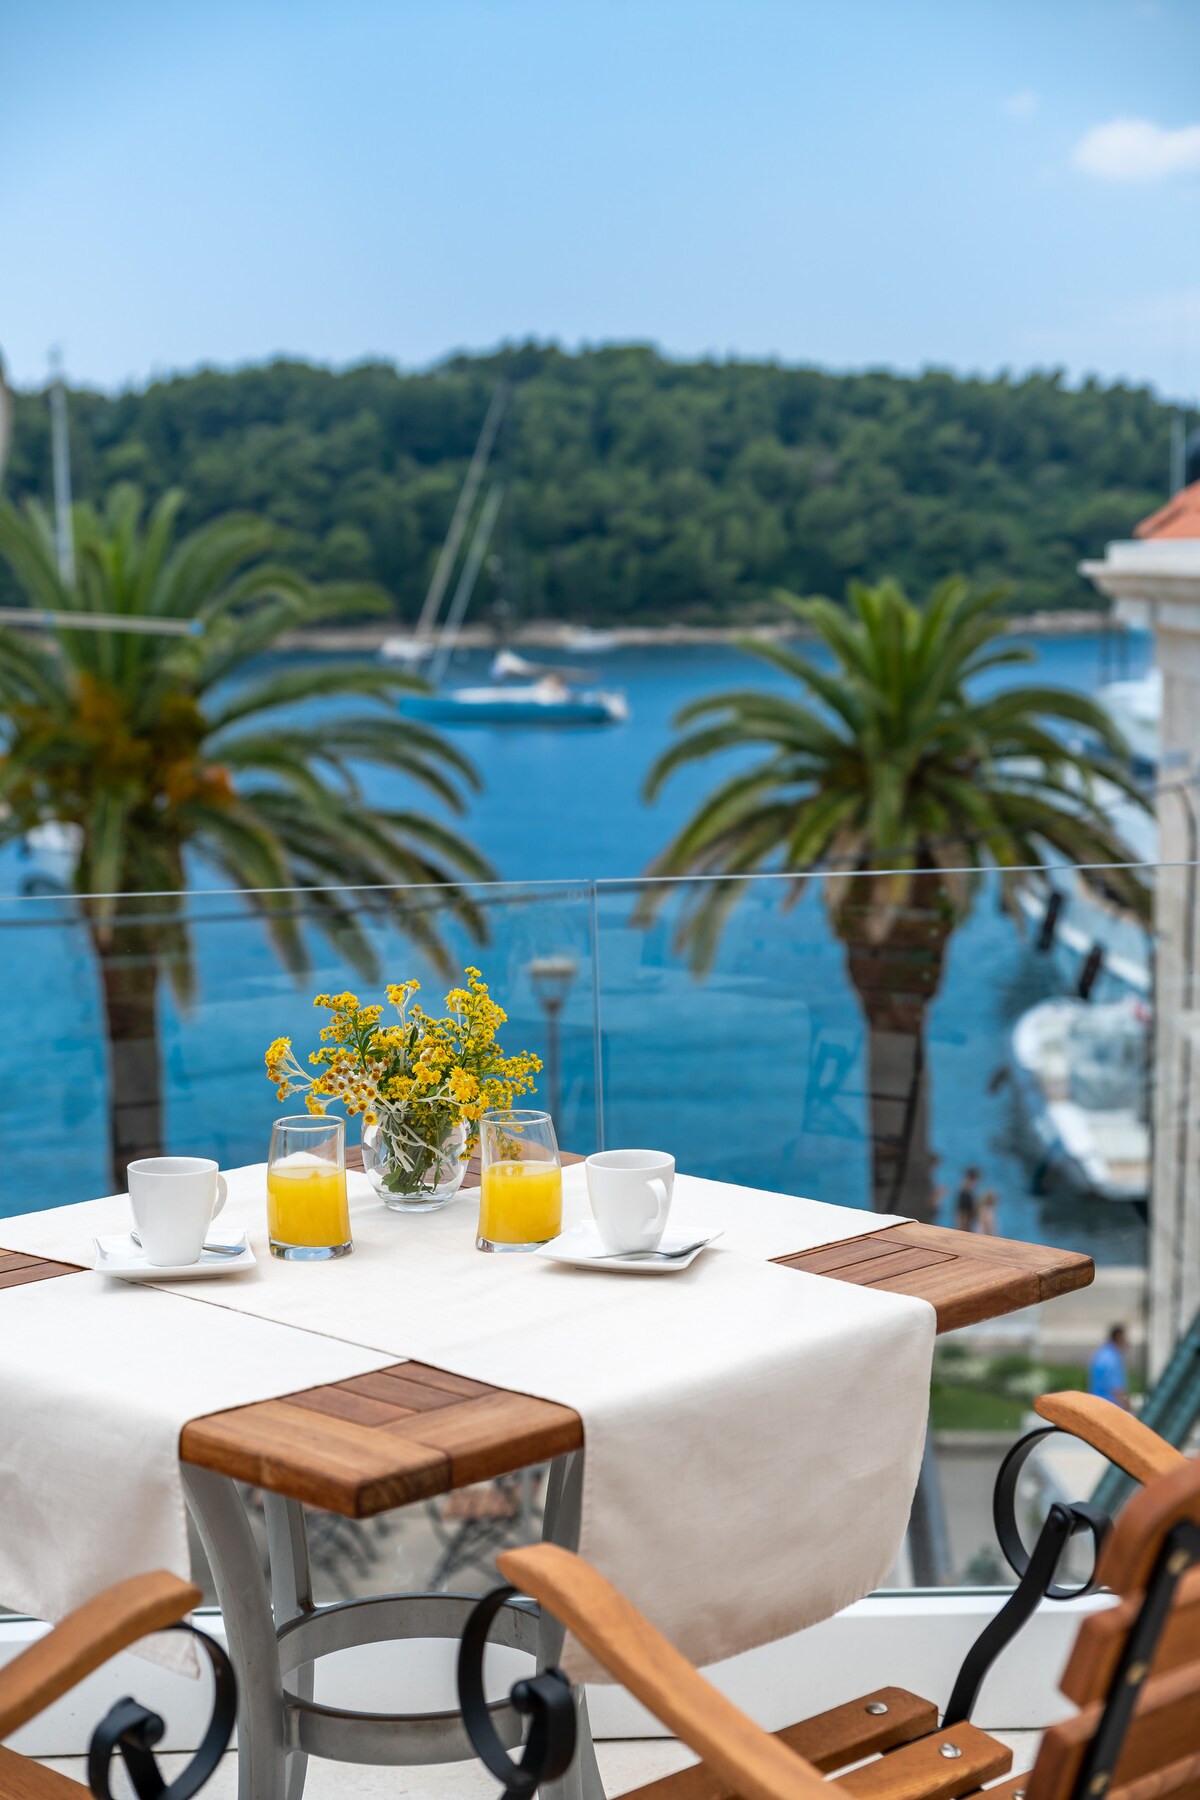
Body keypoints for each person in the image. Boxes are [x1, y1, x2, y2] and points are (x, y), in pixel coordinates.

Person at [1088, 1324, 1130, 1411]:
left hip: (1096, 1404)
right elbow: (1117, 1389)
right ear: (1118, 1337)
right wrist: (1128, 1408)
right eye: (1125, 1338)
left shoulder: (1101, 1353)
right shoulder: (1112, 1359)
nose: (1127, 1342)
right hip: (1110, 1407)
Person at [954, 1166, 981, 1233]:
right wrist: (963, 1231)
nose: (976, 1184)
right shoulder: (965, 1195)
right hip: (964, 1230)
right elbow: (962, 1216)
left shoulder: (965, 1193)